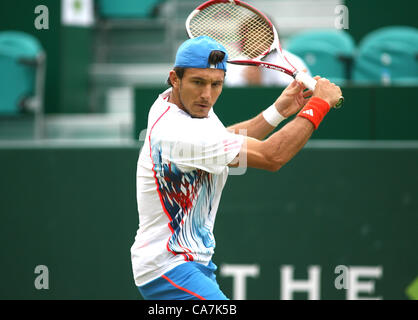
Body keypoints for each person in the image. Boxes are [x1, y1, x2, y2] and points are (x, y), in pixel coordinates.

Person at [130, 35, 342, 300]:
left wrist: (278, 111)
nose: (207, 94)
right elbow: (272, 156)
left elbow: (223, 141)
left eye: (216, 84)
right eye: (198, 82)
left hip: (190, 263)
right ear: (175, 78)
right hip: (168, 269)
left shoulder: (182, 106)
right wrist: (318, 104)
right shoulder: (177, 131)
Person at [225, 49, 312, 87]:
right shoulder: (234, 66)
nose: (257, 45)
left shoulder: (294, 61)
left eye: (262, 39)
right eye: (252, 39)